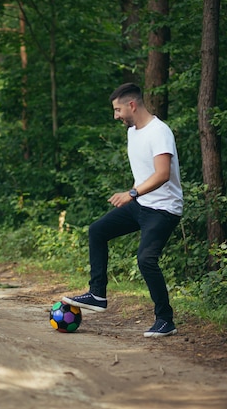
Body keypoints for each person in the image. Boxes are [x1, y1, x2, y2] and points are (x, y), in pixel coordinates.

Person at [63, 83, 183, 338]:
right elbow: (144, 173)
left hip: (163, 209)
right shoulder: (133, 132)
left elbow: (162, 174)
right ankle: (97, 294)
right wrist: (135, 194)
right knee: (97, 230)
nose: (115, 115)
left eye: (118, 110)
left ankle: (165, 320)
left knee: (146, 260)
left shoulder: (159, 132)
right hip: (142, 204)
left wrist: (132, 194)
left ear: (132, 105)